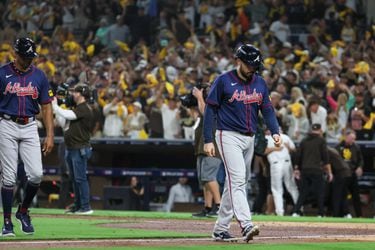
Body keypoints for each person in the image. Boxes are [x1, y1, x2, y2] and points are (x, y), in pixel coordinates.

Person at [203, 44, 281, 242]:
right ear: (238, 60)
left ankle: (220, 229)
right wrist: (208, 139)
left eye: (255, 65)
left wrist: (275, 131)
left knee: (236, 183)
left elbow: (268, 109)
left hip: (250, 137)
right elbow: (210, 110)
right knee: (237, 180)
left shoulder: (260, 82)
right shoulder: (223, 81)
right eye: (249, 64)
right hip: (227, 135)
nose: (252, 68)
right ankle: (246, 225)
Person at [0, 37, 54, 236]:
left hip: (30, 125)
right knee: (8, 177)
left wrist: (49, 135)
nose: (28, 60)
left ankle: (23, 211)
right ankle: (7, 222)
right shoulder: (2, 73)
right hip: (6, 124)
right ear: (16, 54)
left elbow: (47, 106)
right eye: (25, 56)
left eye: (31, 56)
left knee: (37, 174)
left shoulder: (39, 75)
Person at [52, 83, 95, 215]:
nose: (73, 94)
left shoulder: (85, 108)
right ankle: (77, 205)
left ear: (82, 94)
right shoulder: (77, 108)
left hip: (80, 148)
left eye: (76, 92)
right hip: (71, 148)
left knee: (80, 178)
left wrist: (54, 106)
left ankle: (86, 207)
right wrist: (56, 108)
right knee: (75, 179)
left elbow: (69, 115)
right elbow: (63, 123)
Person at [191, 85, 222, 218]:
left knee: (209, 177)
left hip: (213, 148)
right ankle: (208, 208)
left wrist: (199, 97)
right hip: (202, 149)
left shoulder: (219, 103)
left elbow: (205, 112)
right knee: (204, 180)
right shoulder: (205, 103)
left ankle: (220, 207)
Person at [292, 123, 333, 217]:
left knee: (303, 192)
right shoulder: (321, 140)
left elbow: (298, 156)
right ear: (320, 130)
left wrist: (296, 168)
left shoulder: (304, 140)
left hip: (305, 170)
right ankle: (321, 213)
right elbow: (325, 157)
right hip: (316, 170)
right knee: (319, 192)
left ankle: (296, 211)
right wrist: (329, 172)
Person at [265, 129, 299, 216]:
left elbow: (263, 151)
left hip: (276, 165)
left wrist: (274, 149)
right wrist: (279, 148)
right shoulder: (285, 137)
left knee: (277, 190)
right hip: (287, 164)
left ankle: (280, 212)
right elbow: (294, 150)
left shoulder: (267, 138)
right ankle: (299, 209)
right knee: (292, 187)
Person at [335, 130, 364, 217]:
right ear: (346, 137)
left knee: (356, 196)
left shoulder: (356, 147)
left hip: (352, 174)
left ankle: (359, 215)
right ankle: (345, 213)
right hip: (343, 175)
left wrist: (360, 167)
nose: (353, 141)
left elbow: (361, 160)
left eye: (354, 139)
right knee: (343, 195)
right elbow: (336, 161)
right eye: (351, 138)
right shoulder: (338, 147)